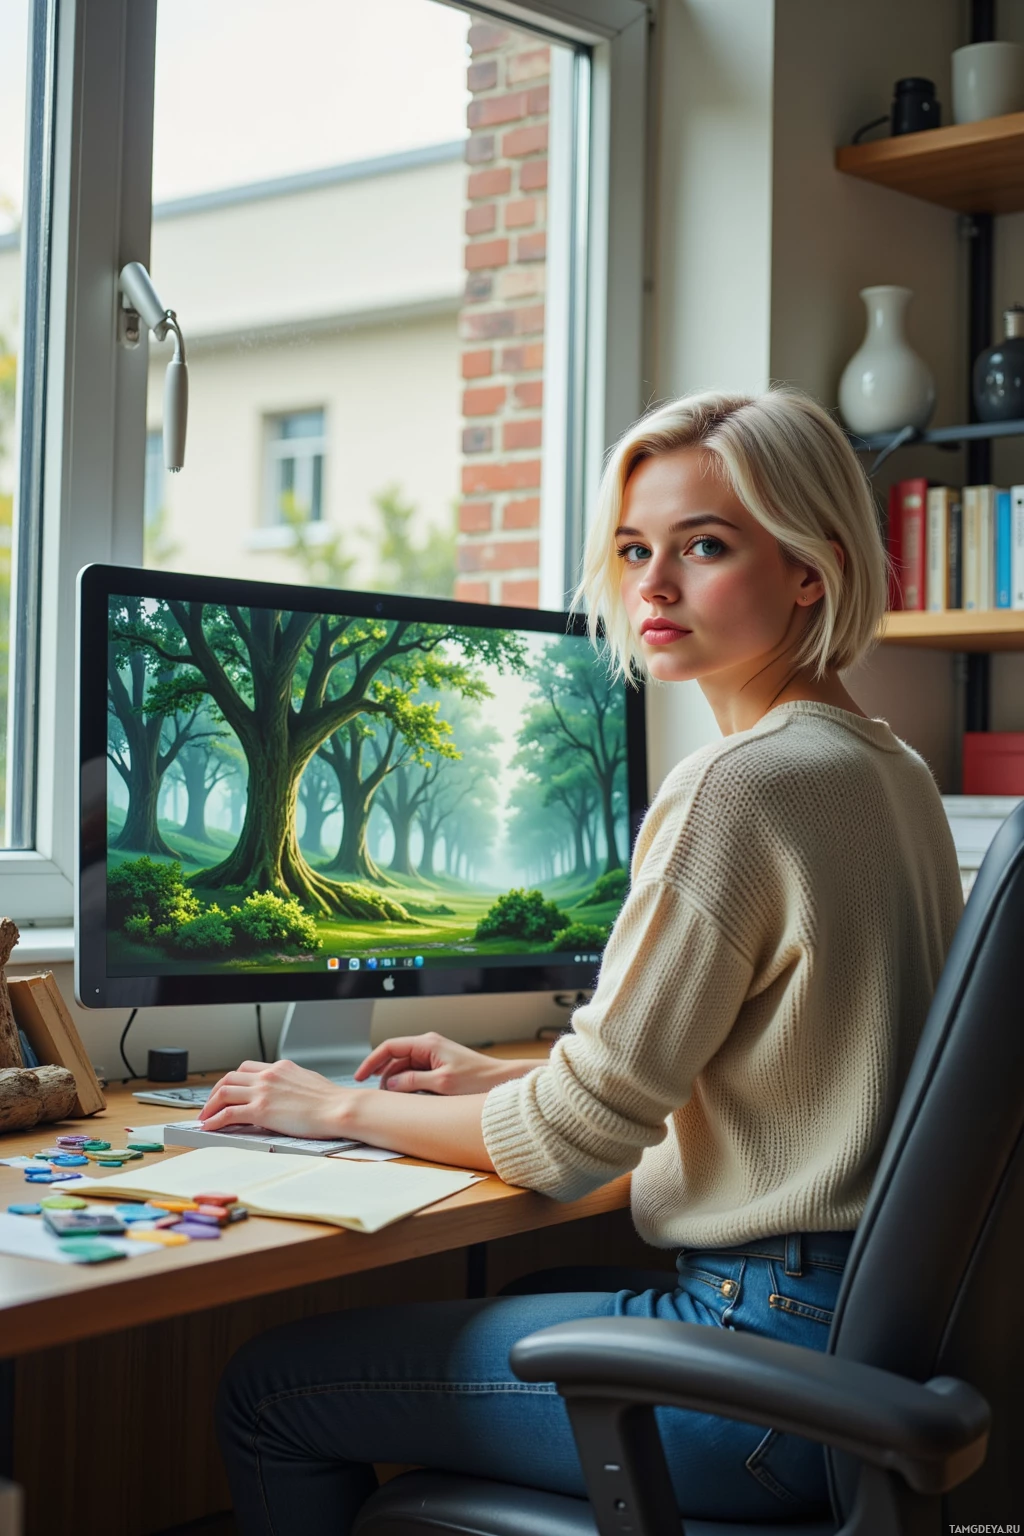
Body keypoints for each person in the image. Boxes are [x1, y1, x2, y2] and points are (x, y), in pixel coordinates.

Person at [209, 388, 964, 1535]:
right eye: (632, 550)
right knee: (524, 1300)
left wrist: (327, 1109)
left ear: (810, 567)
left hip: (765, 1370)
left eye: (704, 546)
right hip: (871, 1346)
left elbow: (568, 1149)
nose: (651, 588)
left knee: (272, 1388)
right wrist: (497, 1081)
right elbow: (788, 1073)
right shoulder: (888, 770)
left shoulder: (738, 785)